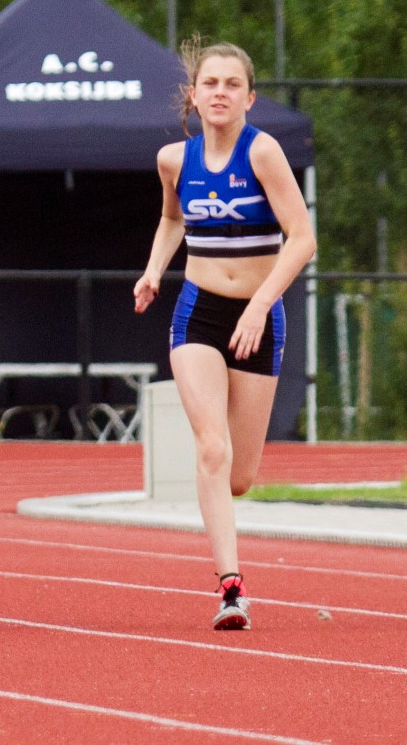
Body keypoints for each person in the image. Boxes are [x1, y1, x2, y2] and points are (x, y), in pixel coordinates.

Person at [134, 39, 315, 629]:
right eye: (210, 83)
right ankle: (231, 587)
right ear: (194, 94)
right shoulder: (173, 161)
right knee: (211, 447)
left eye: (231, 84)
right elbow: (171, 218)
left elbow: (304, 238)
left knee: (240, 475)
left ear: (249, 97)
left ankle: (229, 547)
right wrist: (155, 270)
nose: (219, 93)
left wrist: (262, 304)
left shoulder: (262, 153)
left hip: (259, 315)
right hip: (199, 311)